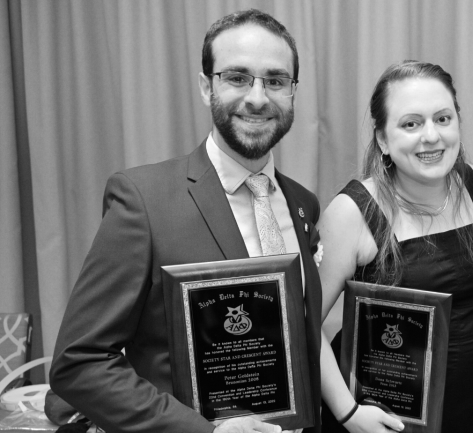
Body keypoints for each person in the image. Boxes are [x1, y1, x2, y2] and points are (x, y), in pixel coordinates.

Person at [49, 9, 322, 433]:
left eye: (275, 80)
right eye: (237, 77)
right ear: (204, 86)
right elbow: (79, 364)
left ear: (292, 93)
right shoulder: (144, 200)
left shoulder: (304, 205)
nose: (257, 97)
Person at [317, 61, 473, 433]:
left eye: (443, 119)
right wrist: (349, 414)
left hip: (471, 410)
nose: (431, 136)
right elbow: (303, 322)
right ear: (383, 139)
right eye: (411, 124)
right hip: (382, 421)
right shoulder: (351, 212)